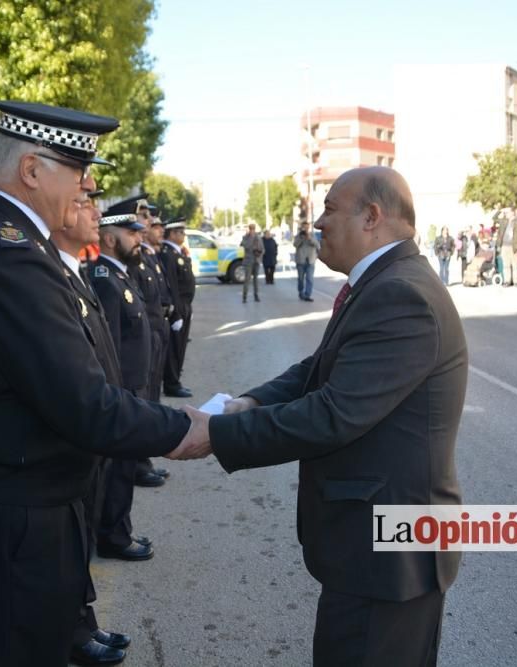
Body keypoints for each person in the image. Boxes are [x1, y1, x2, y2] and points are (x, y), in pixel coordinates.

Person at [0, 101, 199, 667]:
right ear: (32, 171)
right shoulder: (10, 256)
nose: (90, 185)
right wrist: (193, 429)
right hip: (15, 516)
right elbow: (85, 404)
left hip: (36, 499)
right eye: (78, 171)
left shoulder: (26, 247)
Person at [168, 167, 467, 667]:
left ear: (372, 217)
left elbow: (334, 413)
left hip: (391, 555)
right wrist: (251, 403)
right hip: (375, 549)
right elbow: (320, 369)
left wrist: (219, 433)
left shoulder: (401, 294)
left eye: (330, 208)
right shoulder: (383, 282)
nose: (318, 221)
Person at [51, 196, 134, 666]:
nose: (96, 214)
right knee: (73, 536)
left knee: (81, 533)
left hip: (97, 427)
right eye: (83, 202)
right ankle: (76, 628)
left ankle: (83, 620)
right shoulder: (57, 276)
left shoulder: (75, 273)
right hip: (81, 429)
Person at [91, 212, 159, 562]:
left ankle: (117, 529)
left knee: (124, 466)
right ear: (109, 238)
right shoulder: (105, 279)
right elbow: (108, 346)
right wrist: (117, 394)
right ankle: (113, 536)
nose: (139, 238)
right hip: (122, 391)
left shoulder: (120, 275)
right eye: (130, 233)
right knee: (117, 470)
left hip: (134, 386)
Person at [160, 219, 195, 398]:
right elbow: (172, 285)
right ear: (172, 233)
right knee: (174, 349)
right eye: (180, 232)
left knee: (180, 347)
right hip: (179, 307)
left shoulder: (176, 252)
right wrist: (176, 313)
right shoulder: (168, 254)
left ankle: (176, 380)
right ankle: (172, 384)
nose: (183, 235)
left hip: (185, 306)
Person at [495, 207, 517, 286]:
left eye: (508, 212)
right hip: (504, 245)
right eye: (506, 212)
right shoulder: (503, 221)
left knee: (515, 264)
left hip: (514, 246)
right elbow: (495, 219)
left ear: (512, 212)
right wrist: (500, 211)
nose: (506, 214)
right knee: (506, 265)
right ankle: (507, 280)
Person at [295, 221, 321, 301]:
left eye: (307, 227)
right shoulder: (299, 235)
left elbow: (318, 246)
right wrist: (301, 238)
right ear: (302, 227)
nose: (305, 229)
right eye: (304, 227)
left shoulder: (312, 235)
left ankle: (307, 295)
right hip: (301, 261)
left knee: (309, 279)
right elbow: (295, 244)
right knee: (300, 279)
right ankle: (301, 292)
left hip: (310, 260)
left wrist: (309, 238)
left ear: (309, 227)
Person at [240, 223, 264, 302]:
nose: (252, 230)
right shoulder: (245, 237)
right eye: (251, 229)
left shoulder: (258, 237)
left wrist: (259, 254)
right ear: (249, 229)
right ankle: (244, 296)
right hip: (248, 261)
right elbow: (245, 246)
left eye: (253, 229)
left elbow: (262, 248)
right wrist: (251, 238)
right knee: (247, 279)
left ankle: (256, 295)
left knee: (256, 280)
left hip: (256, 260)